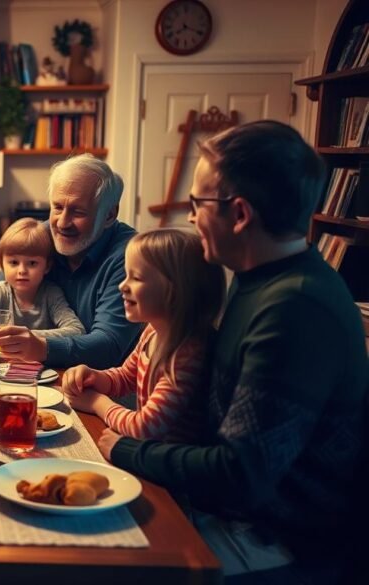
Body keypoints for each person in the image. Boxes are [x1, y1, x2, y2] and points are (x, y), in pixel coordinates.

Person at [99, 121, 368, 582]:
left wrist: (125, 450)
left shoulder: (294, 308)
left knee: (110, 566)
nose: (190, 218)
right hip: (236, 514)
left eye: (197, 204)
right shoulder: (255, 281)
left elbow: (241, 474)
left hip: (280, 540)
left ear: (239, 214)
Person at [0, 153, 142, 369]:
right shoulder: (44, 235)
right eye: (57, 207)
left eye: (78, 211)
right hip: (42, 374)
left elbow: (108, 346)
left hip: (107, 388)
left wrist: (42, 347)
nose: (62, 223)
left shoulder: (130, 257)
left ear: (109, 215)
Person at [63, 229, 225, 441]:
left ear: (174, 291)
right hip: (148, 452)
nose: (122, 286)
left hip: (166, 464)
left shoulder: (187, 354)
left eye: (136, 277)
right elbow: (125, 377)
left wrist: (96, 402)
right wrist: (94, 377)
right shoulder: (152, 331)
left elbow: (144, 427)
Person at [0, 217, 84, 340]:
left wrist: (29, 337)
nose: (22, 271)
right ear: (2, 265)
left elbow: (77, 331)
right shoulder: (0, 291)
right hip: (3, 360)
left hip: (40, 361)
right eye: (13, 262)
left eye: (32, 263)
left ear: (47, 266)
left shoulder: (51, 294)